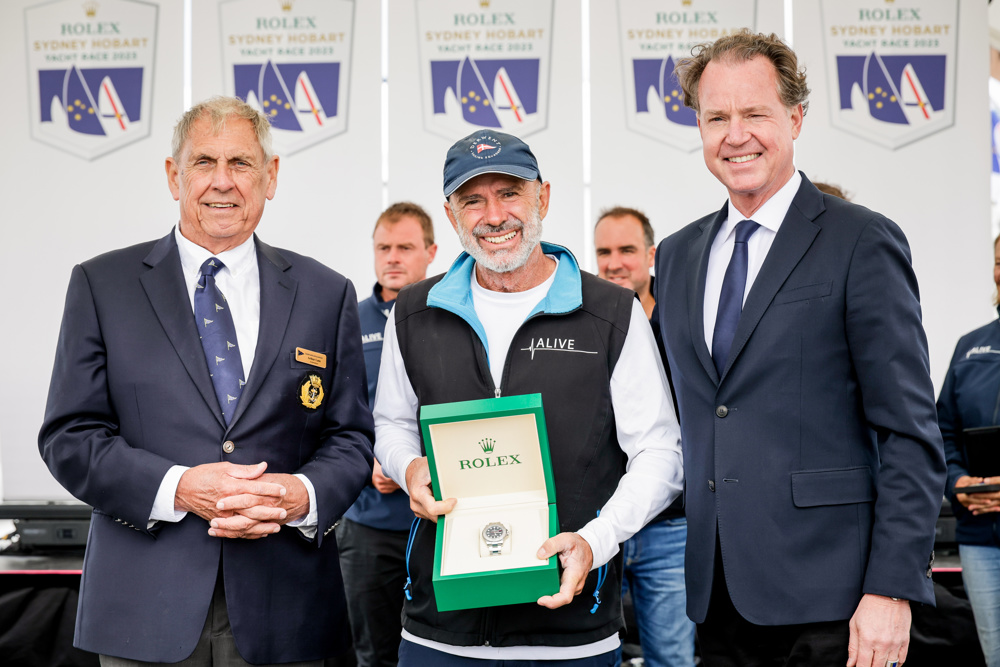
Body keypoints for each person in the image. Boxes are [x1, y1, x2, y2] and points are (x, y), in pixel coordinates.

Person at [38, 96, 374, 666]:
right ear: (174, 176)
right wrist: (178, 487)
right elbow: (69, 436)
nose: (223, 183)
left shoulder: (326, 293)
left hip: (285, 610)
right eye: (204, 163)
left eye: (242, 164)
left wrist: (301, 497)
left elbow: (350, 439)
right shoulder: (103, 286)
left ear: (271, 178)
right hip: (143, 611)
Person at [654, 30, 946, 667]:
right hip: (717, 601)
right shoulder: (675, 258)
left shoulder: (860, 241)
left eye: (755, 113)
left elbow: (910, 434)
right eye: (717, 117)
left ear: (795, 117)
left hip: (834, 604)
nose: (736, 135)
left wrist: (891, 588)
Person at [373, 129, 684, 666]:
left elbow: (660, 453)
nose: (494, 216)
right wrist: (408, 469)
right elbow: (392, 425)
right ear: (451, 216)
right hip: (437, 634)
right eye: (473, 199)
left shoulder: (609, 312)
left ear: (543, 196)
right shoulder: (414, 311)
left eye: (510, 193)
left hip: (571, 633)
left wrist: (596, 540)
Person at [593, 207, 694, 667]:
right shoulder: (581, 326)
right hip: (596, 528)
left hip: (670, 528)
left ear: (651, 256)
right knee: (594, 655)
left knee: (671, 659)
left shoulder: (685, 326)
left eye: (627, 250)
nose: (614, 263)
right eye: (604, 252)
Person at [338, 202, 437, 667]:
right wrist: (372, 462)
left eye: (405, 247)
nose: (393, 257)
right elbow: (330, 419)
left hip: (441, 523)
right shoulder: (347, 321)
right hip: (370, 526)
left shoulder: (448, 316)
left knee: (439, 651)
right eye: (384, 248)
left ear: (431, 251)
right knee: (373, 653)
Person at [938, 234, 1000, 667]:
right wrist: (958, 483)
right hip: (980, 536)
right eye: (999, 260)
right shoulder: (970, 346)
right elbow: (942, 433)